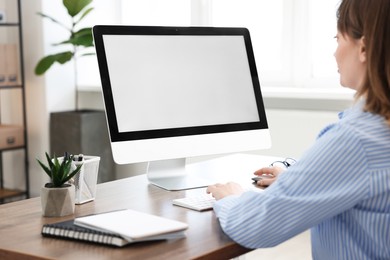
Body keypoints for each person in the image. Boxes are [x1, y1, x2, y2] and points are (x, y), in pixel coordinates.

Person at [206, 0, 390, 259]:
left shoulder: (357, 140)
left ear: (364, 47)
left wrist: (231, 198)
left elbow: (257, 225)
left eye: (338, 39)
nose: (334, 53)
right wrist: (300, 182)